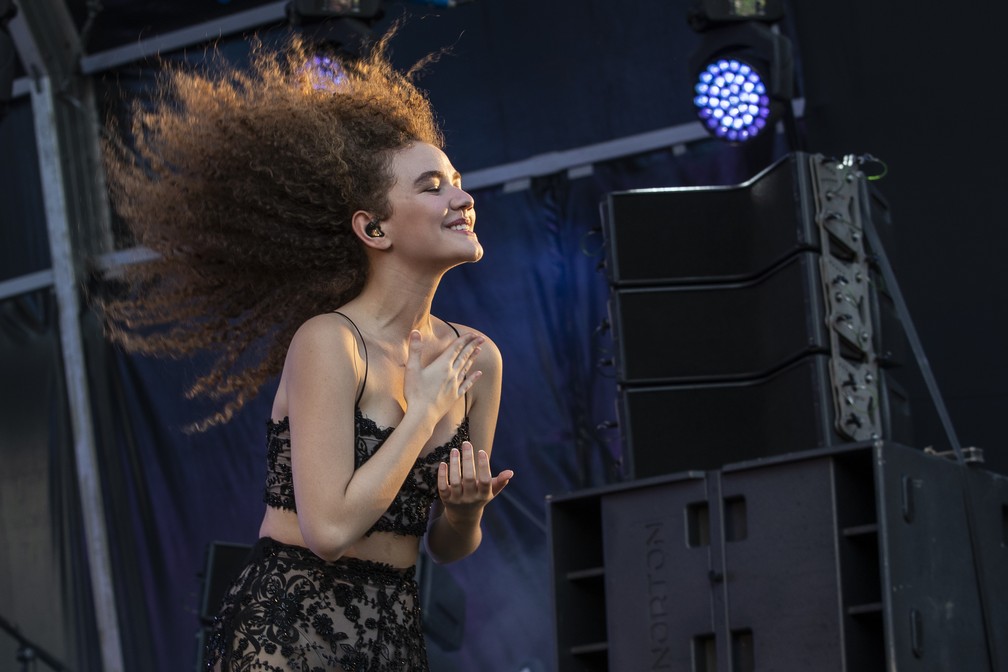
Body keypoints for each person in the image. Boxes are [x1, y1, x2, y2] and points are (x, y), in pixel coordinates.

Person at [99, 26, 513, 671]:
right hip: (287, 632)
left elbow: (447, 546)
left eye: (457, 180)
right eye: (432, 185)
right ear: (373, 228)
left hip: (393, 633)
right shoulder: (330, 342)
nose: (463, 198)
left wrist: (465, 514)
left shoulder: (477, 359)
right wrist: (425, 412)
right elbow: (329, 532)